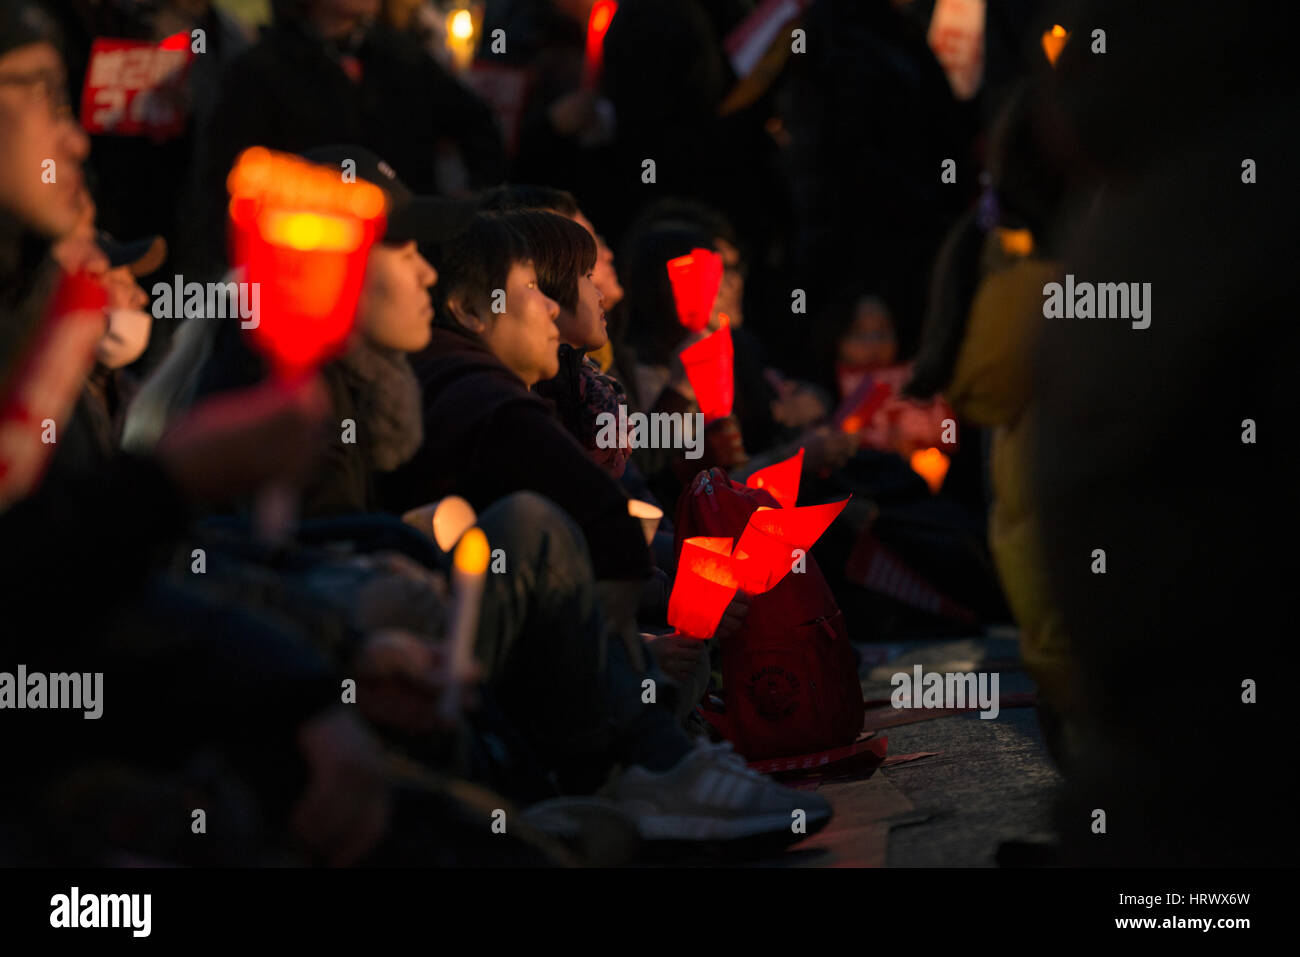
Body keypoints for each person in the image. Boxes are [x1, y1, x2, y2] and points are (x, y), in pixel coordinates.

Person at [193, 0, 504, 276]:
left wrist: (475, 195)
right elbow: (223, 181)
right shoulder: (259, 71)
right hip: (314, 266)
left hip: (407, 251)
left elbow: (478, 124)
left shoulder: (402, 57)